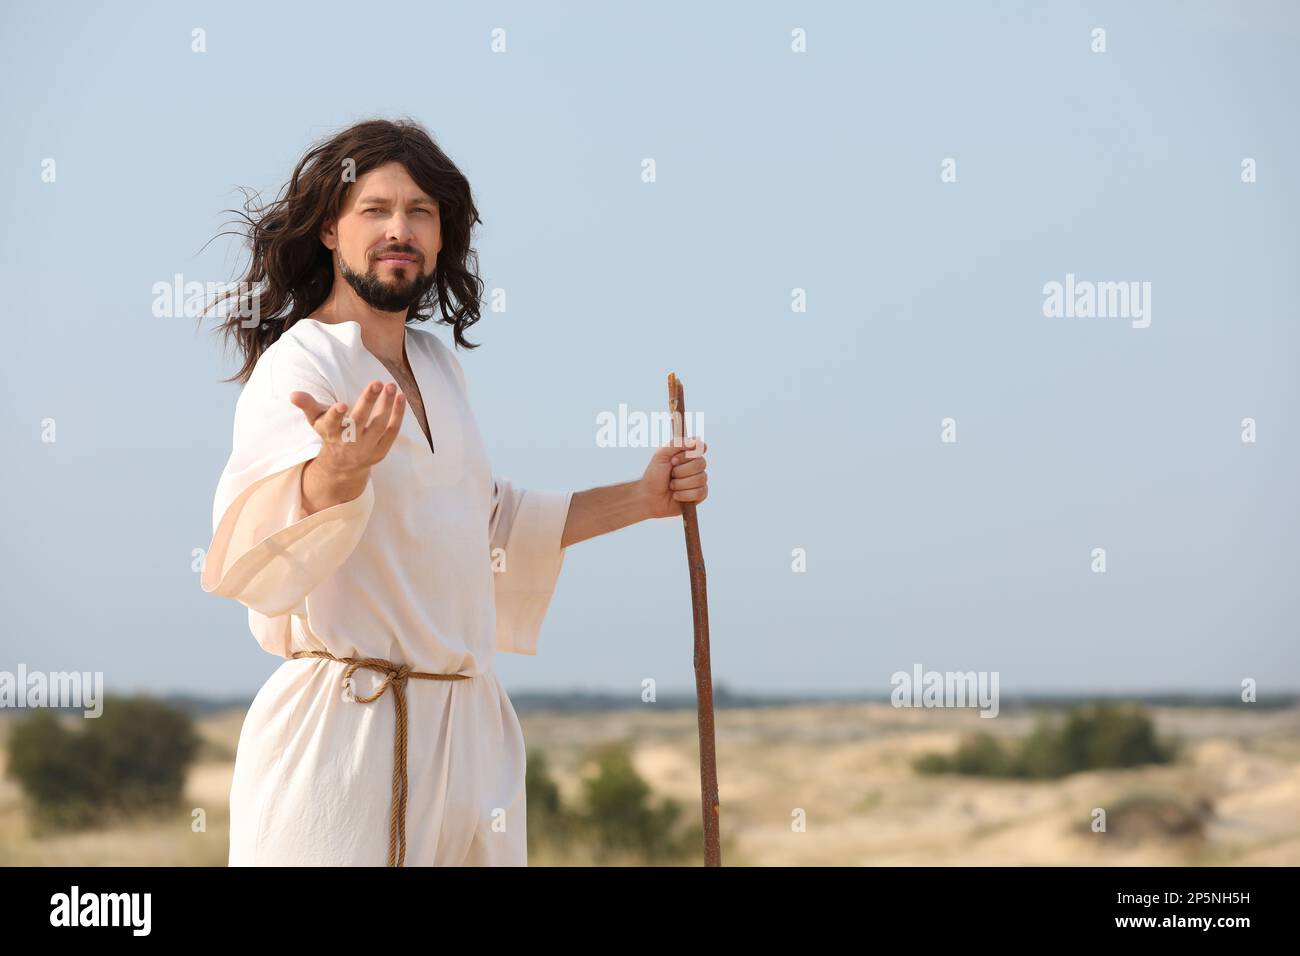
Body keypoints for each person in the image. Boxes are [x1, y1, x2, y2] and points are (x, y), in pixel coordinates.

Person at [200, 118, 709, 865]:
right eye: (374, 210)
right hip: (343, 742)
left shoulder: (440, 369)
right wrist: (336, 472)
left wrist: (643, 497)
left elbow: (490, 526)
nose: (398, 230)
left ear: (441, 240)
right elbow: (255, 544)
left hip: (469, 742)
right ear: (331, 233)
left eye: (420, 213)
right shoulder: (300, 365)